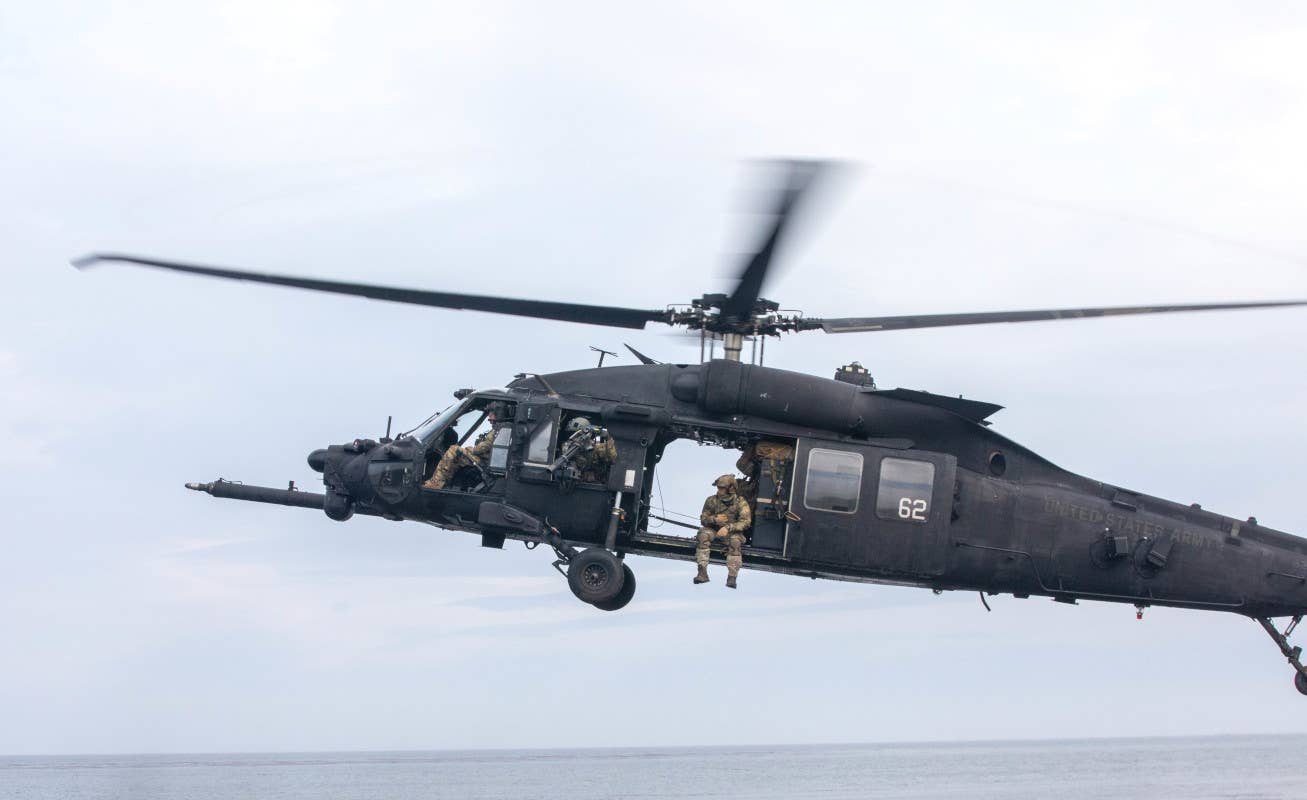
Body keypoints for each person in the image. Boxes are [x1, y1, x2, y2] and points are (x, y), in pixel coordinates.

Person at [423, 402, 511, 490]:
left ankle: (435, 484)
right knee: (458, 456)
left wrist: (471, 450)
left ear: (498, 415)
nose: (489, 417)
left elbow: (480, 449)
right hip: (484, 461)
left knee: (453, 450)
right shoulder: (501, 429)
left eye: (491, 414)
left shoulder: (498, 430)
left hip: (483, 463)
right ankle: (445, 483)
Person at [694, 474, 752, 588]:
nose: (719, 491)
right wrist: (714, 520)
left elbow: (745, 522)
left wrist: (728, 527)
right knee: (703, 536)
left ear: (731, 489)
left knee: (735, 543)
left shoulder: (740, 502)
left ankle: (732, 577)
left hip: (733, 533)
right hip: (714, 531)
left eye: (722, 488)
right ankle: (702, 572)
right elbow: (703, 519)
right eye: (718, 488)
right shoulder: (711, 500)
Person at [564, 416, 617, 484]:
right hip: (571, 484)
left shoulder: (596, 449)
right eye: (572, 435)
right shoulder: (566, 448)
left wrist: (608, 438)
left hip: (592, 485)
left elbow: (612, 458)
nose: (575, 438)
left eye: (578, 435)